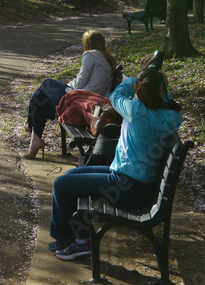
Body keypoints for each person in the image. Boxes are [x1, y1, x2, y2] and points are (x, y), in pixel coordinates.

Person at [48, 62, 182, 260]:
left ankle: (77, 242)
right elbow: (170, 105)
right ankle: (73, 238)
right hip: (135, 182)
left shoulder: (136, 110)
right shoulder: (170, 116)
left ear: (138, 87)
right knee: (70, 176)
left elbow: (115, 96)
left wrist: (131, 80)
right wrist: (162, 88)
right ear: (161, 90)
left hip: (125, 185)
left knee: (61, 184)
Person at [24, 30, 116, 160]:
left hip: (81, 100)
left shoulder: (89, 55)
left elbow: (80, 81)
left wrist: (65, 87)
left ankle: (30, 125)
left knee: (48, 84)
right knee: (38, 97)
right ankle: (35, 140)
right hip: (93, 102)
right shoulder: (109, 58)